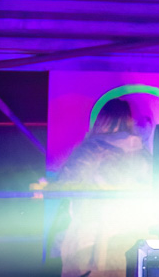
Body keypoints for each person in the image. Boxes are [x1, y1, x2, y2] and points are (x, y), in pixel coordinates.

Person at [48, 98, 153, 277]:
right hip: (132, 238)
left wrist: (47, 184)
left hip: (90, 240)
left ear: (101, 120)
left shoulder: (91, 149)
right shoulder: (142, 154)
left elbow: (66, 182)